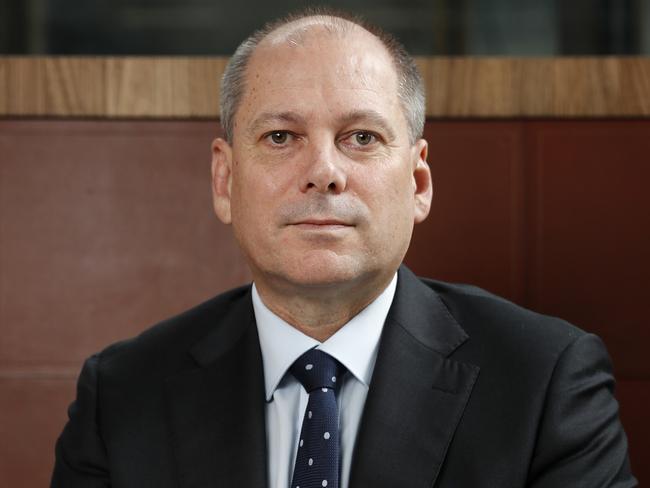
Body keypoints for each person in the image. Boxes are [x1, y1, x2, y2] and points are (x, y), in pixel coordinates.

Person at [51, 9, 636, 488]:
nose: (324, 172)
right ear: (225, 181)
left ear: (419, 184)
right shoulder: (123, 396)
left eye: (361, 137)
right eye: (281, 137)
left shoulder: (546, 383)